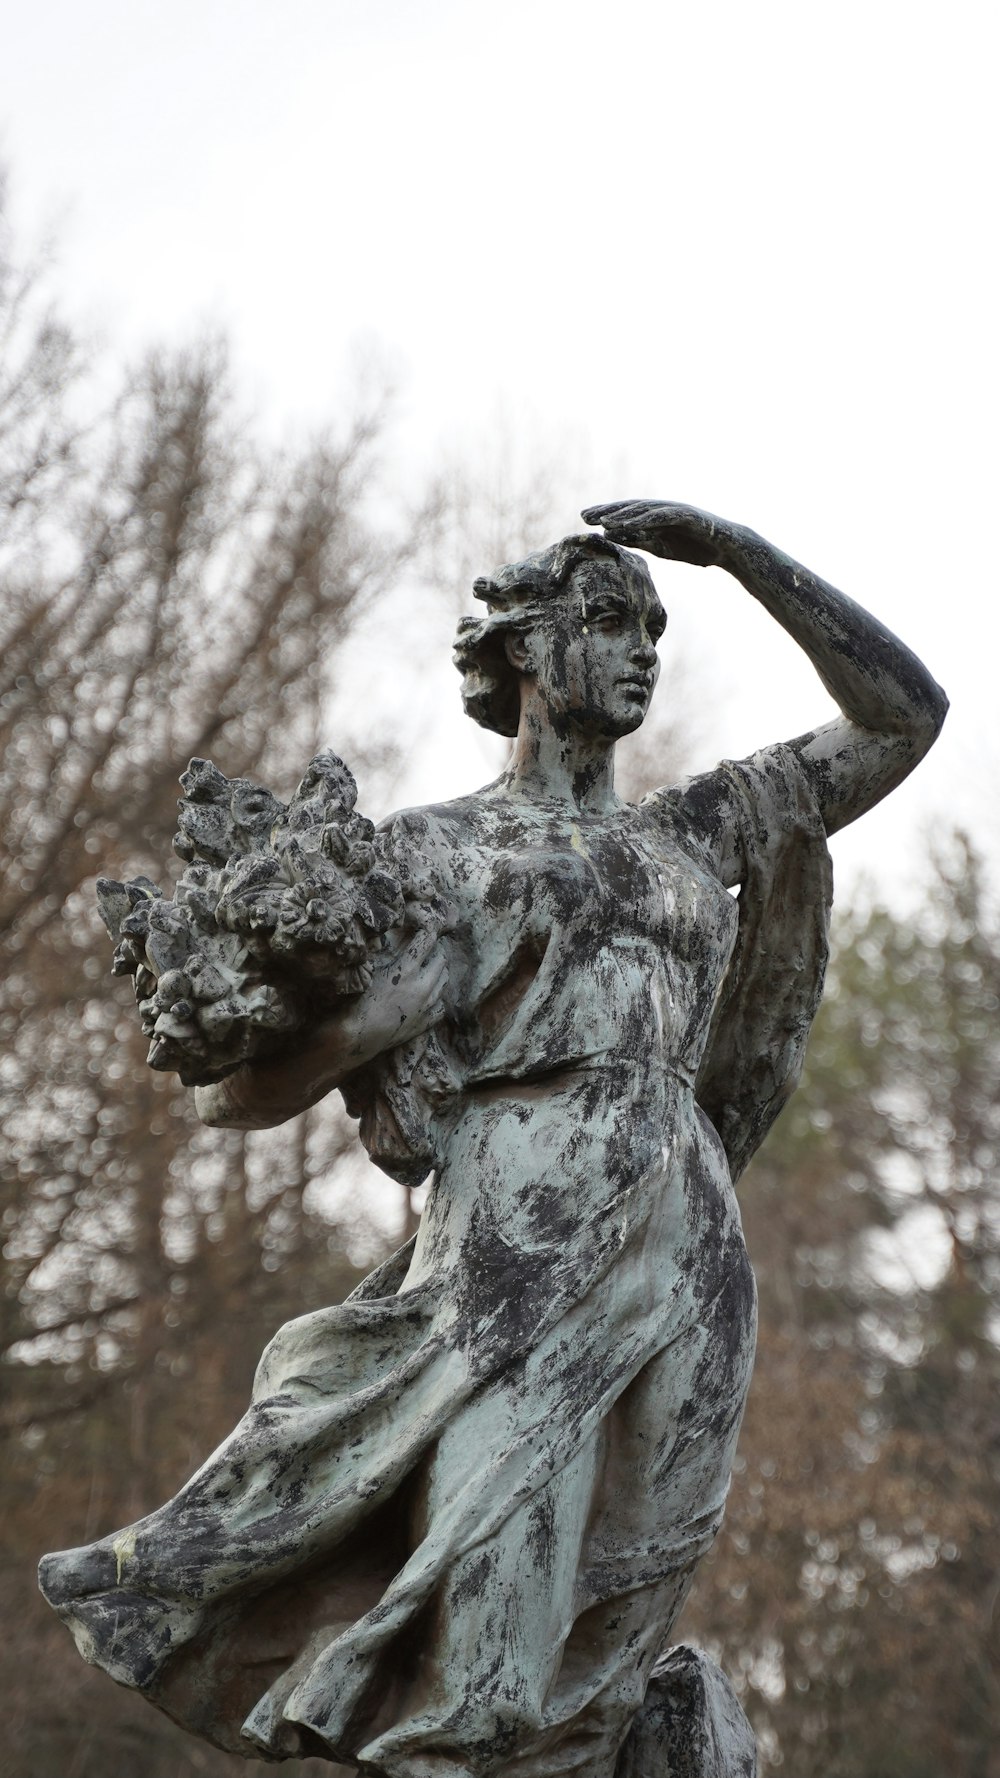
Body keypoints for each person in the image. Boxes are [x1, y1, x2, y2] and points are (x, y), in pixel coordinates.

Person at [39, 502, 946, 1776]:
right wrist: (226, 1027)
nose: (641, 648)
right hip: (512, 1251)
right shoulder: (441, 854)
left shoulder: (691, 833)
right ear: (520, 648)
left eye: (653, 627)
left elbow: (905, 718)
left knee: (624, 1615)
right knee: (490, 1645)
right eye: (606, 620)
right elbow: (259, 1088)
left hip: (686, 1243)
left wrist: (739, 557)